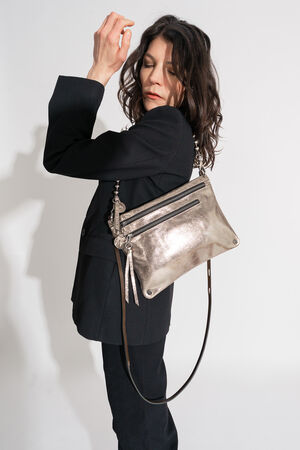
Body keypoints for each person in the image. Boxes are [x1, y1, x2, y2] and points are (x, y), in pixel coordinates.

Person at [43, 11, 222, 449]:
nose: (153, 77)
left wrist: (100, 69)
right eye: (148, 63)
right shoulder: (158, 132)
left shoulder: (164, 130)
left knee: (136, 424)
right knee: (145, 412)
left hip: (130, 306)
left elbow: (62, 155)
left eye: (172, 70)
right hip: (137, 304)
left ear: (188, 83)